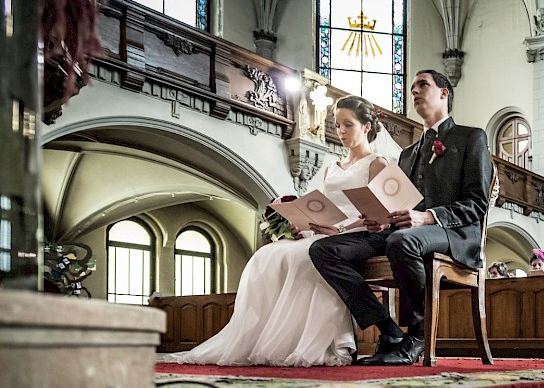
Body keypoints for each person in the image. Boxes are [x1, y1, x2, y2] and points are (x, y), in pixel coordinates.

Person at [166, 96, 396, 366]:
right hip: (325, 232)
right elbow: (325, 207)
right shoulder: (330, 168)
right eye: (337, 125)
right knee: (267, 256)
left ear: (367, 126)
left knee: (306, 257)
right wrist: (304, 225)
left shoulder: (378, 164)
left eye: (348, 125)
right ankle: (269, 339)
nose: (341, 131)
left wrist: (338, 228)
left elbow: (382, 214)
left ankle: (316, 342)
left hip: (357, 233)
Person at [309, 70, 492, 366]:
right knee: (324, 250)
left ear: (444, 93)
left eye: (423, 85)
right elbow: (396, 204)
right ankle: (388, 329)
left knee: (401, 241)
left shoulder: (470, 138)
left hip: (453, 232)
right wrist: (380, 220)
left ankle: (417, 335)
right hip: (403, 232)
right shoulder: (408, 154)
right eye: (412, 87)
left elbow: (477, 203)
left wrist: (427, 217)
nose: (415, 91)